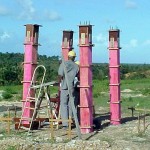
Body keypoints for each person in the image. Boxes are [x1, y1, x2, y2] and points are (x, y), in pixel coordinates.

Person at [58, 50, 79, 129]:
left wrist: (58, 84)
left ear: (68, 56)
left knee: (63, 105)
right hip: (72, 87)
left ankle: (65, 124)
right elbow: (77, 76)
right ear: (74, 57)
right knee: (71, 105)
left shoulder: (64, 64)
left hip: (64, 86)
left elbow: (60, 75)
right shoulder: (76, 66)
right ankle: (71, 121)